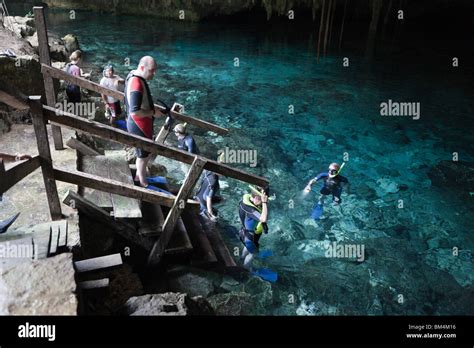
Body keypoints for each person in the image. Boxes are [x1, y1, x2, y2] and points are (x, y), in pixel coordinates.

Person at [124, 56, 167, 188]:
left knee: (143, 153)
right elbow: (135, 111)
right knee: (143, 155)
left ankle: (139, 175)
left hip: (139, 123)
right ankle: (143, 182)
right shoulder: (136, 83)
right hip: (139, 124)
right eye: (151, 70)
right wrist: (153, 112)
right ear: (142, 68)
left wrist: (153, 108)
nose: (154, 74)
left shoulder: (132, 75)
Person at [238, 187, 269, 270]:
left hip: (244, 234)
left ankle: (241, 259)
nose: (261, 204)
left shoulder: (245, 202)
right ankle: (245, 269)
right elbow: (263, 219)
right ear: (255, 198)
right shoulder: (251, 210)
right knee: (253, 253)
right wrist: (264, 203)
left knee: (247, 247)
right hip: (249, 238)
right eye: (261, 200)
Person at [194, 156, 222, 221]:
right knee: (213, 220)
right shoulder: (213, 181)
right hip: (202, 203)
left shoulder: (209, 170)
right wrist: (210, 213)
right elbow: (208, 198)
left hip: (197, 195)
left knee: (221, 199)